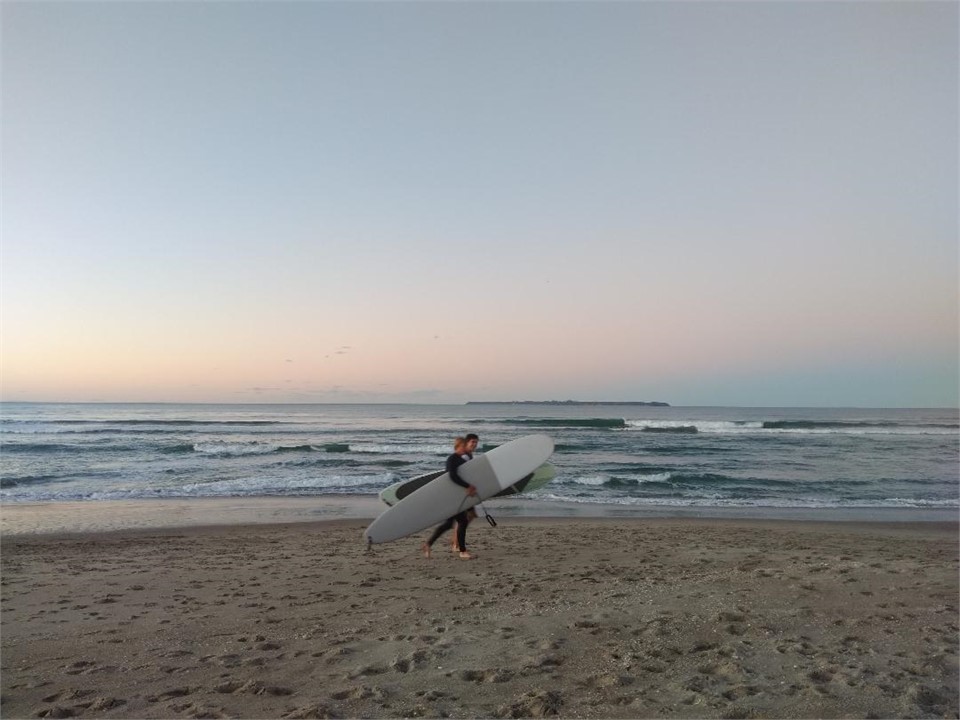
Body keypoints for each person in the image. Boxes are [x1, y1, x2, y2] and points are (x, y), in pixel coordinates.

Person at [421, 435, 478, 560]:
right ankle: (462, 551)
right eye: (463, 446)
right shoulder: (452, 459)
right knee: (462, 521)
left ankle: (428, 544)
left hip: (455, 495)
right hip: (450, 496)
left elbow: (465, 475)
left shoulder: (461, 459)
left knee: (448, 524)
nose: (465, 448)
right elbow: (452, 476)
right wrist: (467, 486)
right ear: (458, 447)